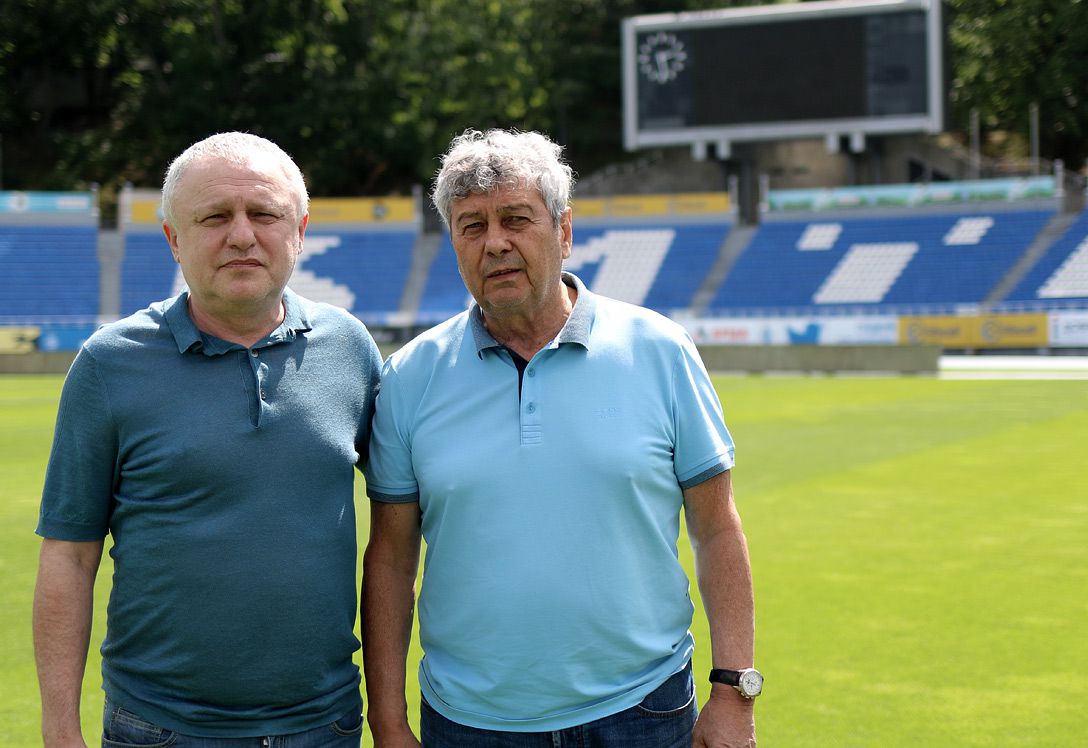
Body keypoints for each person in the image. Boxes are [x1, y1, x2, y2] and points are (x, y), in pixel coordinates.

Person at [362, 128, 759, 747]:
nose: (495, 243)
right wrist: (387, 721)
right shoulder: (410, 375)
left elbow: (716, 527)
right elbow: (390, 559)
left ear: (564, 231)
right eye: (471, 226)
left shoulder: (660, 351)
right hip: (469, 723)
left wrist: (734, 690)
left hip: (642, 711)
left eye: (516, 219)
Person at [32, 131, 382, 747]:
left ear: (299, 229)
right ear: (173, 238)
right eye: (215, 216)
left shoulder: (350, 348)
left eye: (264, 214)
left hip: (323, 725)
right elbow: (69, 553)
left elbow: (401, 524)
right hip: (160, 729)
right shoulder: (110, 364)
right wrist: (60, 726)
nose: (242, 235)